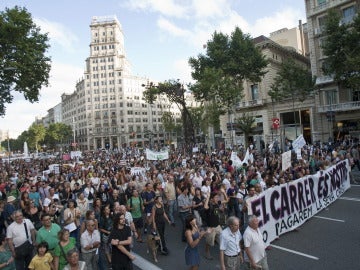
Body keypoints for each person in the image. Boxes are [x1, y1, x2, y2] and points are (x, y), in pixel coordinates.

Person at [203, 192, 222, 260]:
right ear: (212, 199)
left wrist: (223, 193)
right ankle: (207, 252)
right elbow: (205, 207)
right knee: (209, 242)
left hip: (218, 226)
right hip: (211, 228)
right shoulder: (209, 205)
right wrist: (208, 197)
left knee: (222, 241)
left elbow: (226, 200)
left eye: (218, 197)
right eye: (216, 197)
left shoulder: (217, 203)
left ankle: (224, 254)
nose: (217, 198)